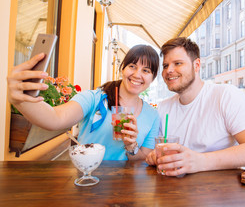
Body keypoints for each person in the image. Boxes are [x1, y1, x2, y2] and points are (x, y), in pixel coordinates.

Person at [7, 45, 160, 160]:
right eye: (132, 66)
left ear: (152, 78)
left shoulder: (152, 115)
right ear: (122, 69)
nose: (137, 74)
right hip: (87, 178)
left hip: (124, 188)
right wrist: (21, 100)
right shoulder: (94, 98)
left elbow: (142, 159)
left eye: (146, 70)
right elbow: (55, 118)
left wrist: (131, 145)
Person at [146, 37, 245, 176]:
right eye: (165, 66)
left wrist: (200, 161)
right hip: (172, 192)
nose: (169, 70)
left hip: (221, 192)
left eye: (177, 63)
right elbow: (157, 151)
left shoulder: (226, 95)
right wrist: (154, 156)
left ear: (197, 65)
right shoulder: (163, 108)